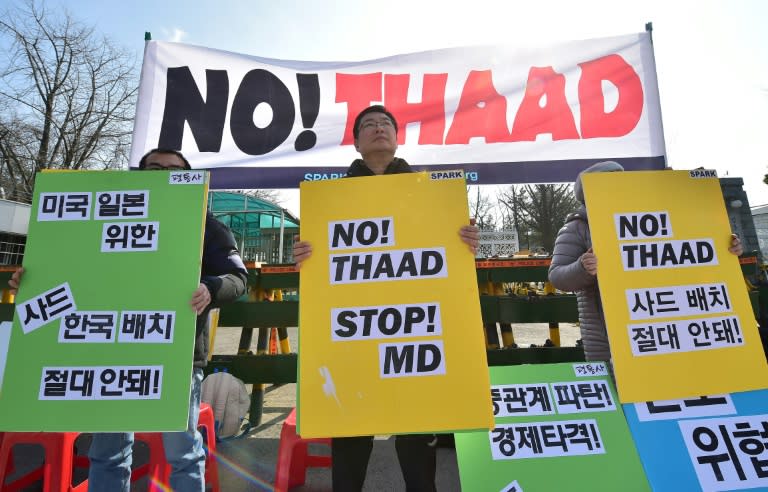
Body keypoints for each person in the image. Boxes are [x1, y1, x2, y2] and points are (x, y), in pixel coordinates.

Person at [9, 148, 249, 492]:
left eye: (172, 170)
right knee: (108, 452)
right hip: (109, 350)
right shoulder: (97, 218)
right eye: (153, 168)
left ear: (189, 178)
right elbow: (69, 271)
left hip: (175, 354)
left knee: (182, 453)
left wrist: (210, 288)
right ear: (138, 172)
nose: (162, 175)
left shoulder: (206, 226)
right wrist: (32, 283)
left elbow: (238, 279)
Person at [292, 105, 479, 492]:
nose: (379, 129)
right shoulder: (331, 200)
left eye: (386, 124)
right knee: (350, 432)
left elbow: (442, 260)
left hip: (411, 334)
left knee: (417, 440)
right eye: (369, 126)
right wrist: (304, 258)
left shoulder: (430, 193)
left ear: (397, 137)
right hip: (354, 335)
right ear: (357, 142)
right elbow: (324, 263)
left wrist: (465, 245)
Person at [548, 160, 744, 372]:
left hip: (664, 330)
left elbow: (686, 257)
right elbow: (557, 276)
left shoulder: (653, 216)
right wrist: (582, 267)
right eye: (608, 184)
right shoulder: (577, 227)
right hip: (607, 339)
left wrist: (724, 247)